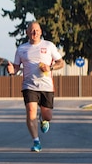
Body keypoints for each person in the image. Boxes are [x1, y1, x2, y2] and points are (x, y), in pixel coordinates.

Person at [6, 21, 64, 152]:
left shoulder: (48, 46)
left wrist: (50, 67)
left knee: (48, 115)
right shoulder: (21, 49)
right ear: (27, 32)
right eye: (31, 30)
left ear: (41, 32)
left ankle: (44, 120)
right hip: (29, 85)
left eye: (37, 30)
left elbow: (61, 63)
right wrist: (11, 70)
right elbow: (16, 67)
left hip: (46, 86)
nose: (34, 33)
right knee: (31, 111)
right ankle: (36, 141)